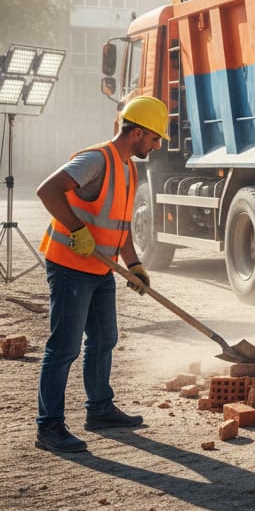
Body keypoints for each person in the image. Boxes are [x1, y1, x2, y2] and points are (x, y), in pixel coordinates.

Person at [35, 96, 169, 453]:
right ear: (136, 132)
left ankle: (99, 410)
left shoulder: (129, 168)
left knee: (104, 338)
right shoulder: (96, 159)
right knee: (64, 348)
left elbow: (120, 226)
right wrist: (77, 229)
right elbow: (47, 190)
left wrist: (134, 264)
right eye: (154, 138)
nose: (157, 146)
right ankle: (49, 427)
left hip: (101, 268)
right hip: (70, 267)